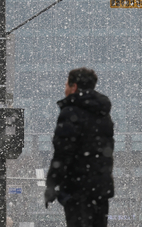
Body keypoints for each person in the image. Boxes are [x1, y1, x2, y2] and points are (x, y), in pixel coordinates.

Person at [44, 67, 115, 227]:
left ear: (74, 87)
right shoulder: (103, 113)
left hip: (78, 190)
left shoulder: (71, 113)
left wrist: (52, 183)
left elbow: (62, 152)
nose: (65, 89)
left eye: (66, 85)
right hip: (101, 190)